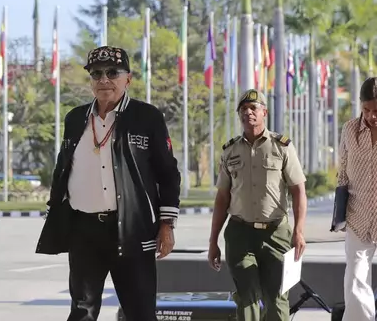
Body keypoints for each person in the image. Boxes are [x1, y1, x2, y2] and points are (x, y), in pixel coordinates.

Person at [36, 45, 181, 321]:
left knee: (140, 312)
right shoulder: (75, 118)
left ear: (128, 78)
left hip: (132, 230)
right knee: (82, 312)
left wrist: (166, 225)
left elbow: (168, 173)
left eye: (112, 73)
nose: (104, 80)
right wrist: (56, 212)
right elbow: (62, 169)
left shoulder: (146, 117)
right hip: (84, 232)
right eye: (96, 73)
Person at [208, 88, 307, 321]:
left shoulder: (282, 147)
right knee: (247, 297)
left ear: (265, 112)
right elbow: (222, 198)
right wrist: (213, 241)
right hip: (240, 234)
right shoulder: (230, 150)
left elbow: (298, 190)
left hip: (276, 234)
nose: (248, 113)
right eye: (243, 109)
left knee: (277, 300)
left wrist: (299, 231)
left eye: (253, 108)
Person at [337, 77, 377, 321]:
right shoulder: (350, 130)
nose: (372, 116)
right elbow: (342, 173)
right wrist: (339, 214)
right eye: (367, 110)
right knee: (355, 279)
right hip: (357, 217)